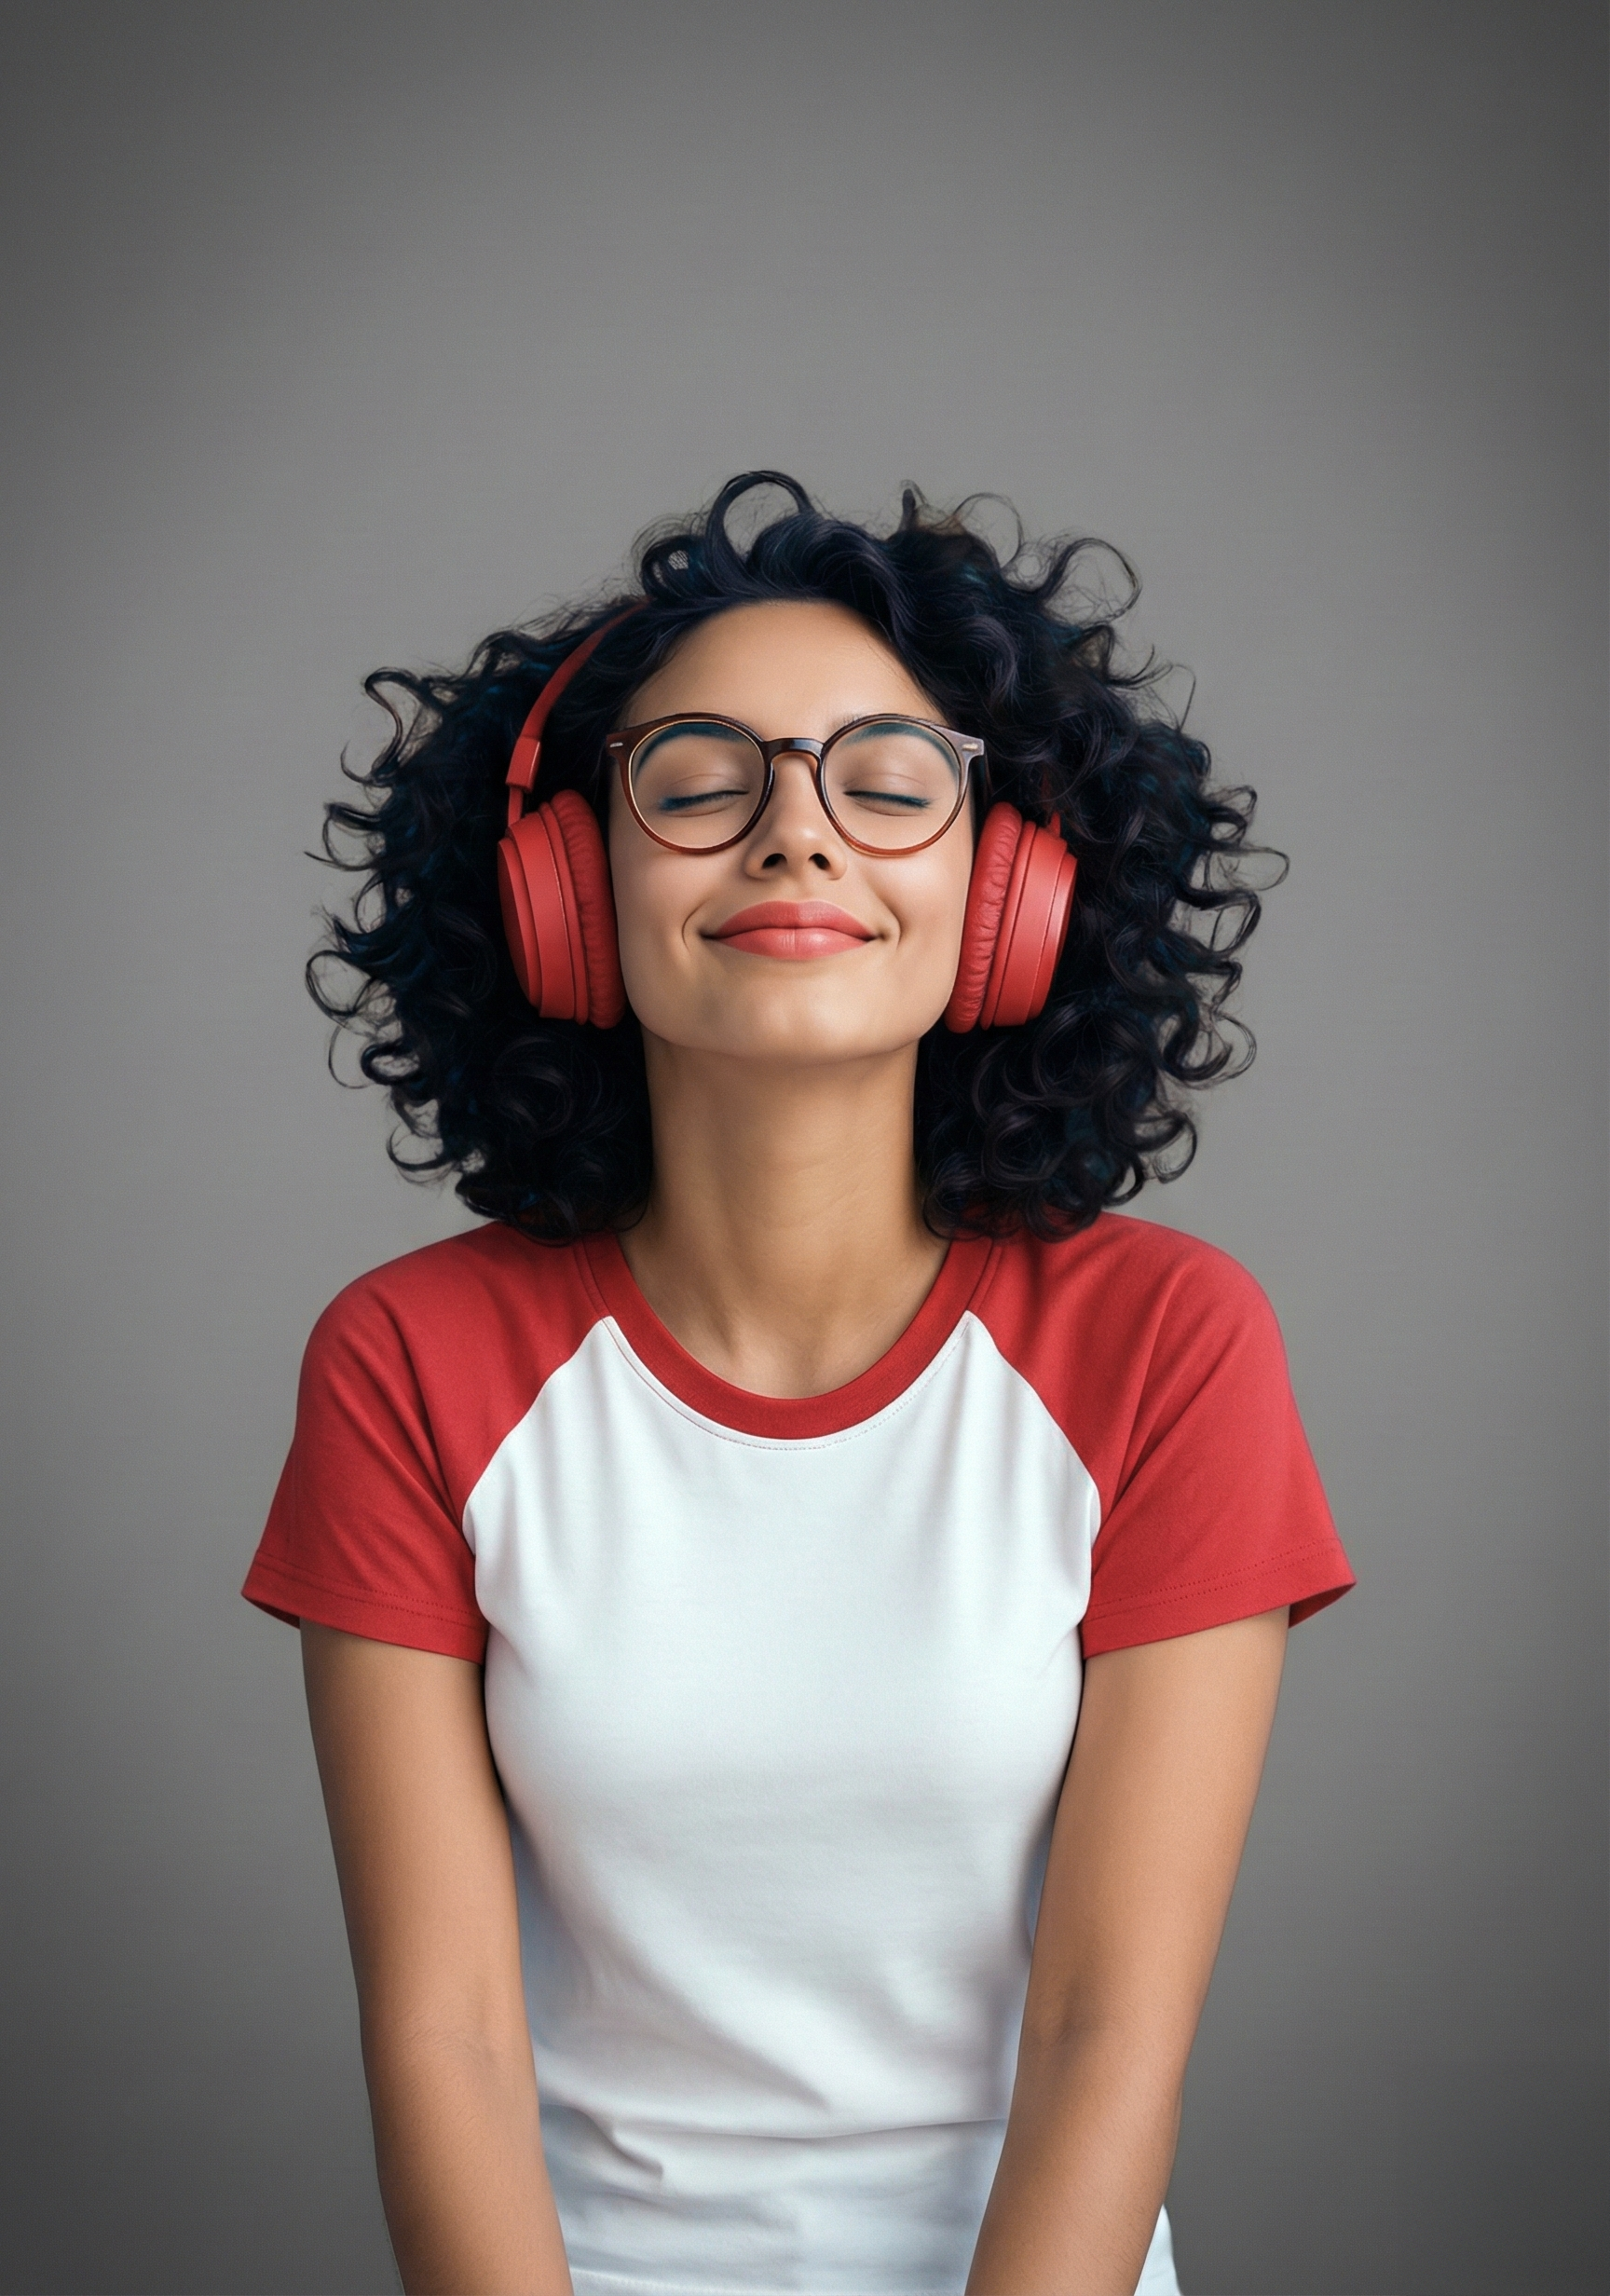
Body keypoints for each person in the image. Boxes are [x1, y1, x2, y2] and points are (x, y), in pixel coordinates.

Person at [244, 472, 1353, 2296]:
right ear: (565, 885)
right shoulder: (409, 1360)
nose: (796, 836)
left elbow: (1109, 2034)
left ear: (1006, 883)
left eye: (889, 780)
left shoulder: (1165, 1341)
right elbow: (442, 2038)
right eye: (699, 780)